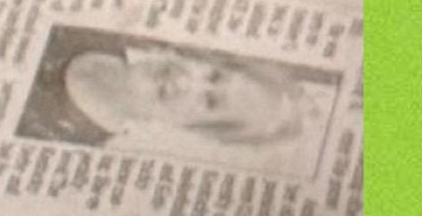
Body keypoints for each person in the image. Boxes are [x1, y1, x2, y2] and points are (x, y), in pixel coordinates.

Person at [48, 40, 316, 157]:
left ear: (193, 129)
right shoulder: (111, 36)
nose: (190, 81)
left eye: (210, 101)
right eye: (214, 75)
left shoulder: (90, 142)